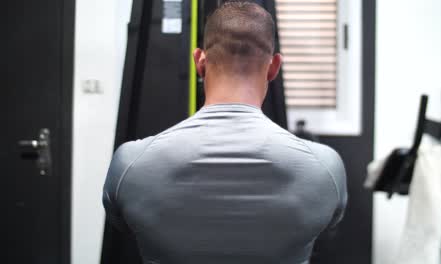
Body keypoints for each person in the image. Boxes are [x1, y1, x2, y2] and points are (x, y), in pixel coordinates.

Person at [103, 1, 347, 264]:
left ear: (199, 61)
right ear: (275, 67)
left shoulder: (130, 163)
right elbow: (327, 231)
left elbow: (122, 225)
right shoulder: (325, 167)